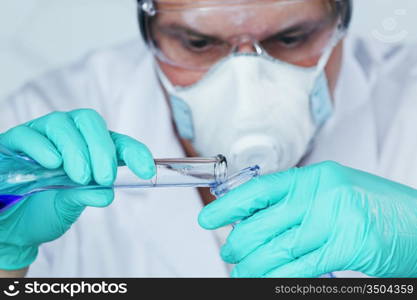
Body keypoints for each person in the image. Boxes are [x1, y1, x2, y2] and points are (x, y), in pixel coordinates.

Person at [0, 0, 416, 278]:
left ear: (340, 19)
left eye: (290, 39)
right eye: (199, 43)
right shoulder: (43, 125)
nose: (248, 87)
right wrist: (6, 257)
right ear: (152, 31)